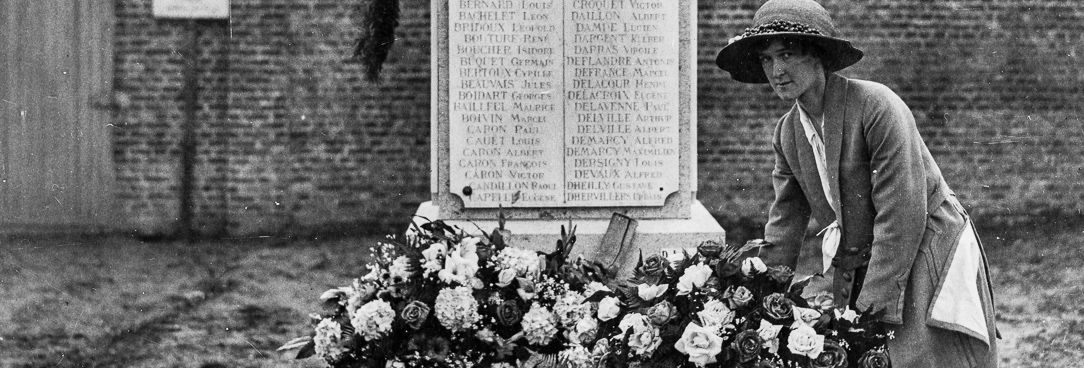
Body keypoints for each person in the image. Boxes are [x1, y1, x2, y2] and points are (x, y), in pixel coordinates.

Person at [714, 0, 999, 366]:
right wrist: (756, 298)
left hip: (926, 243)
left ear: (819, 57)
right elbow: (784, 223)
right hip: (863, 248)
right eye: (767, 59)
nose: (777, 70)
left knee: (923, 352)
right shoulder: (788, 133)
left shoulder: (876, 106)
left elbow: (902, 214)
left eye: (787, 54)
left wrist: (865, 310)